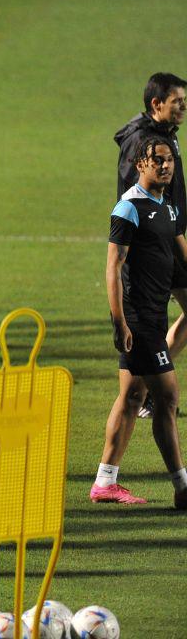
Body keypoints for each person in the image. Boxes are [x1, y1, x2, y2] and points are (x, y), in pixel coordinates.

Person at [91, 137, 187, 510]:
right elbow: (112, 267)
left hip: (154, 312)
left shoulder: (168, 207)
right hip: (139, 318)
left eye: (169, 161)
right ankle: (182, 486)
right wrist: (120, 322)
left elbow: (181, 251)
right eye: (157, 161)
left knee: (133, 397)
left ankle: (104, 482)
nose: (165, 166)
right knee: (167, 397)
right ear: (140, 165)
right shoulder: (129, 207)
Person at [114, 73, 187, 418]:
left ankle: (151, 389)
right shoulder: (144, 143)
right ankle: (151, 391)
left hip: (169, 238)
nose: (184, 107)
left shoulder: (163, 136)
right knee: (150, 325)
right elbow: (136, 200)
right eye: (178, 101)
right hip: (154, 247)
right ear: (157, 104)